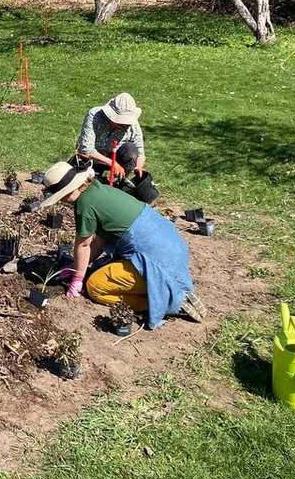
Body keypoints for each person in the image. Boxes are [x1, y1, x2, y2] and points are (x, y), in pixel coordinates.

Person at [39, 160, 205, 329]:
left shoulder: (84, 204)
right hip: (171, 247)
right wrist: (77, 266)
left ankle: (162, 300)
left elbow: (84, 245)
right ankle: (168, 291)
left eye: (59, 197)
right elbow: (100, 241)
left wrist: (77, 279)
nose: (61, 202)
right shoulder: (100, 190)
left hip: (155, 259)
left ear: (66, 192)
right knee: (98, 270)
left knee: (95, 287)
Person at [75, 92, 146, 181]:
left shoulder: (133, 125)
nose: (123, 123)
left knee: (130, 149)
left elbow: (140, 154)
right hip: (91, 159)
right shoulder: (94, 115)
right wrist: (112, 163)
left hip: (117, 157)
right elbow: (86, 149)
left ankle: (119, 181)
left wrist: (138, 166)